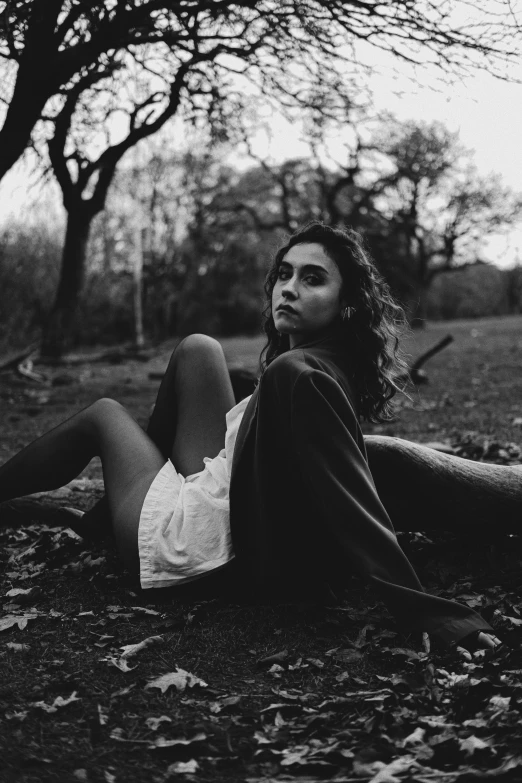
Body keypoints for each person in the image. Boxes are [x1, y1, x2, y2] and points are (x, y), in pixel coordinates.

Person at [0, 222, 503, 655]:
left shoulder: (297, 373)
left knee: (105, 414)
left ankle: (93, 513)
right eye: (283, 274)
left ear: (347, 303)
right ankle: (113, 514)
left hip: (184, 546)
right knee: (198, 349)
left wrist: (430, 614)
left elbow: (350, 498)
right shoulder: (319, 362)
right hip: (220, 490)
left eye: (312, 279)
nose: (288, 288)